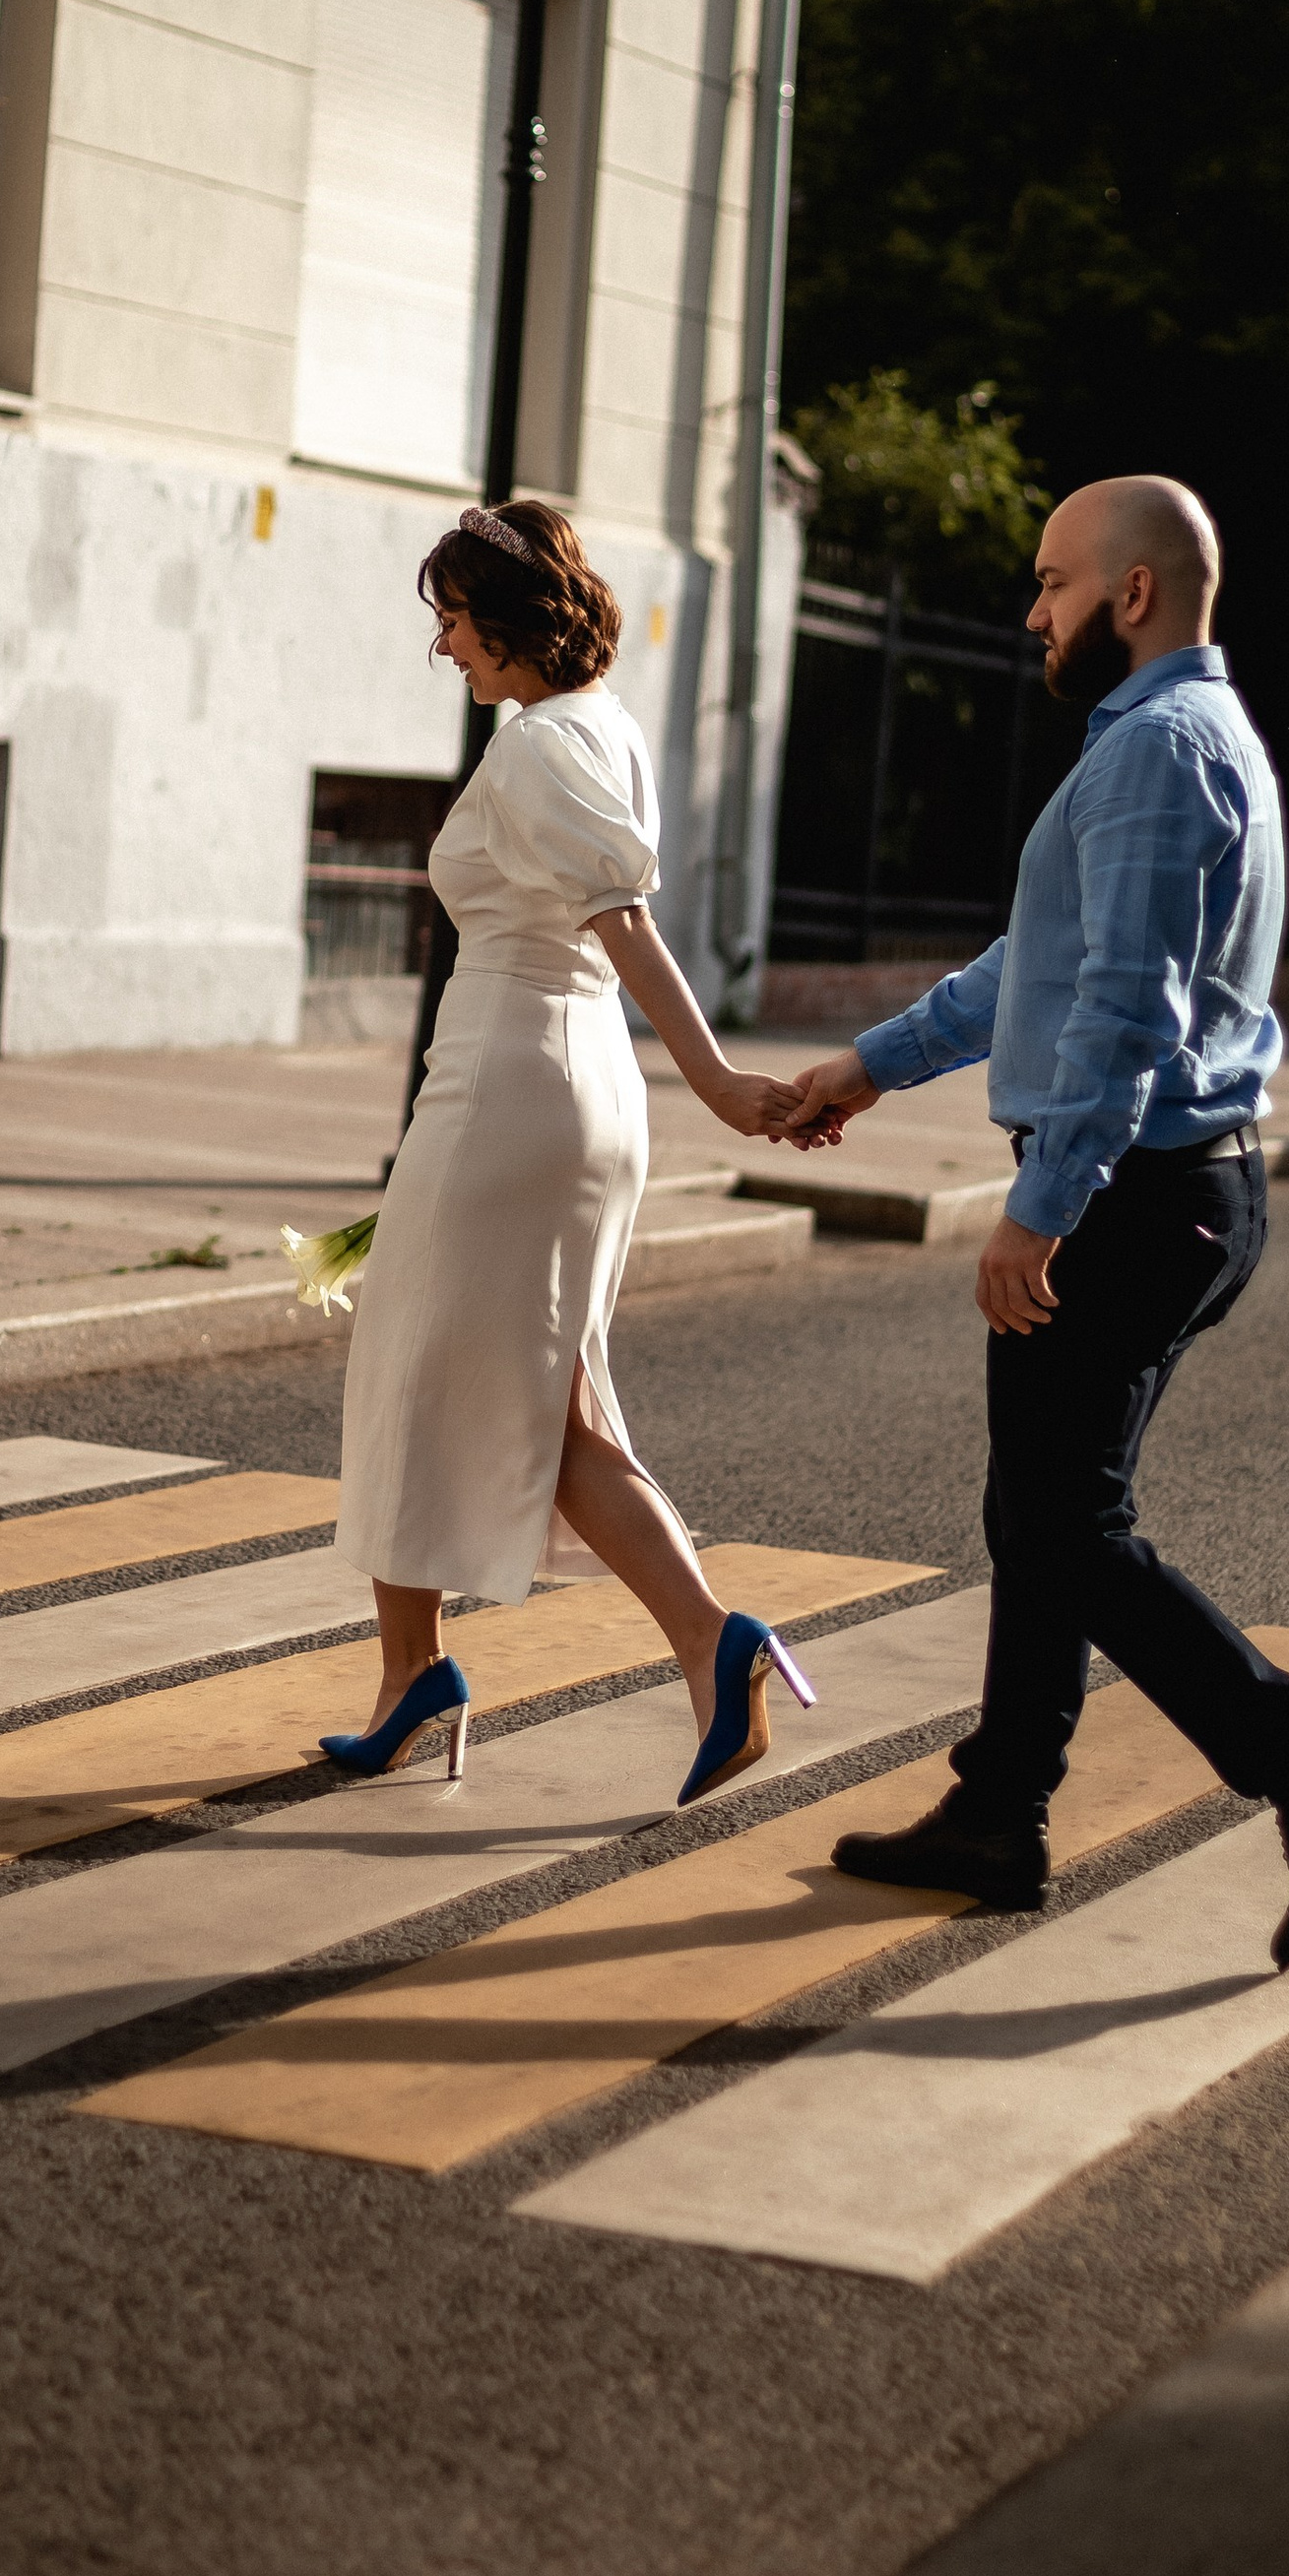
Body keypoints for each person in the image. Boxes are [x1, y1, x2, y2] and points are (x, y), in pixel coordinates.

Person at [777, 475, 1289, 1970]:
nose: (1032, 610)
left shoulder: (1157, 751)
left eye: (1052, 582)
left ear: (1133, 595)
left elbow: (1127, 1014)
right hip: (1181, 1189)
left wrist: (1036, 1213)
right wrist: (868, 1065)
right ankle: (1000, 1812)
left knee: (1069, 1521)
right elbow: (1039, 964)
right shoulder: (1185, 739)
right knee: (1045, 1514)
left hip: (1138, 1196)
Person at [327, 499, 818, 1809]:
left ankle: (689, 1644)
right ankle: (430, 1673)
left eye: (452, 618)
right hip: (571, 1085)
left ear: (505, 616)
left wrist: (716, 1075)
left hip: (510, 1089)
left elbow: (621, 918)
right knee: (547, 1397)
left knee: (421, 1365)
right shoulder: (603, 724)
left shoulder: (542, 743)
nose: (444, 647)